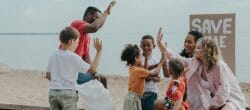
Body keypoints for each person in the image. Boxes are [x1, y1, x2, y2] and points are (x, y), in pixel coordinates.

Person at [157, 28, 247, 110]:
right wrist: (162, 46)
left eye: (198, 48)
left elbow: (224, 91)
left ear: (207, 50)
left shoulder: (219, 65)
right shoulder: (196, 63)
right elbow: (177, 58)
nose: (195, 50)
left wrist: (207, 106)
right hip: (215, 100)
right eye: (196, 48)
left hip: (230, 99)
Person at [45, 27, 102, 110]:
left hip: (53, 92)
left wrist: (58, 82)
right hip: (68, 93)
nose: (77, 45)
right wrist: (99, 52)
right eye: (77, 42)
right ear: (71, 41)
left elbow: (47, 75)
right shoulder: (73, 57)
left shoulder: (53, 55)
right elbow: (93, 70)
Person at [71, 0, 116, 85]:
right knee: (99, 79)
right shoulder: (77, 24)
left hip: (76, 71)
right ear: (89, 15)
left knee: (100, 78)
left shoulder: (87, 36)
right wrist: (106, 12)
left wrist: (94, 72)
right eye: (97, 18)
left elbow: (86, 58)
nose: (98, 21)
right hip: (68, 70)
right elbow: (95, 28)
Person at [121, 44, 164, 110]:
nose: (142, 58)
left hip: (130, 97)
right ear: (136, 58)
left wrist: (156, 64)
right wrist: (160, 63)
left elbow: (145, 69)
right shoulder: (138, 70)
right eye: (140, 56)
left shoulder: (132, 68)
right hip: (134, 99)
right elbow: (155, 73)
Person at [140, 35, 168, 110]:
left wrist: (153, 78)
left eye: (148, 45)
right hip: (140, 92)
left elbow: (158, 78)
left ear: (154, 46)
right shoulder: (139, 60)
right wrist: (152, 78)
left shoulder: (156, 60)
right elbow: (144, 77)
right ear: (140, 46)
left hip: (152, 92)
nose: (146, 47)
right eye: (144, 45)